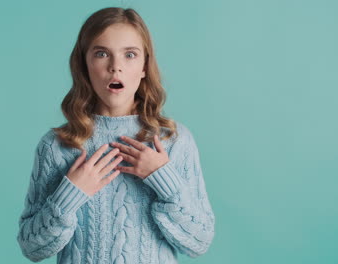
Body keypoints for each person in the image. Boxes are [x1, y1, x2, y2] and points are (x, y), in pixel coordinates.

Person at [16, 7, 215, 264]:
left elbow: (200, 243)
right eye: (101, 54)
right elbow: (31, 248)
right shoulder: (57, 145)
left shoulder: (174, 141)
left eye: (130, 55)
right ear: (84, 65)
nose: (115, 67)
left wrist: (164, 178)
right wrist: (70, 193)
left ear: (144, 66)